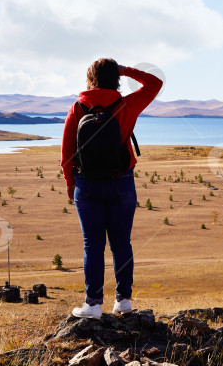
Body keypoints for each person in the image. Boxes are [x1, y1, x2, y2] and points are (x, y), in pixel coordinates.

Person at [60, 58, 163, 319]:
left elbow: (67, 152)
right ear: (116, 79)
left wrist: (71, 184)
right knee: (121, 244)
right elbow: (155, 83)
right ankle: (123, 301)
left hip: (87, 184)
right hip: (121, 182)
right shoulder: (127, 104)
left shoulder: (78, 107)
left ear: (90, 78)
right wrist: (127, 70)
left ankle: (93, 305)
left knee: (92, 246)